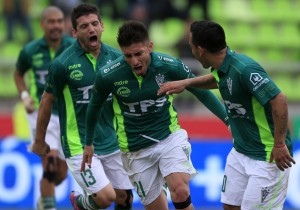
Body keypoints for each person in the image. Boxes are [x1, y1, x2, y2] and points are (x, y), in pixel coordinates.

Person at [82, 20, 229, 210]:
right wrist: (89, 142)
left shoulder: (169, 66)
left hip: (169, 138)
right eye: (128, 56)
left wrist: (227, 120)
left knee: (180, 191)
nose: (134, 61)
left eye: (139, 54)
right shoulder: (109, 75)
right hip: (135, 149)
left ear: (149, 47)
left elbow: (201, 91)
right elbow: (94, 106)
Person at [157, 20, 296, 210]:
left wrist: (279, 144)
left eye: (191, 46)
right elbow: (219, 80)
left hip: (267, 156)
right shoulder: (224, 67)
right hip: (240, 152)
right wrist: (187, 83)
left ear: (201, 49)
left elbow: (279, 99)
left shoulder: (244, 68)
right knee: (230, 206)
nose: (191, 51)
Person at [31, 3, 133, 210]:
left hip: (112, 140)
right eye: (85, 26)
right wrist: (39, 141)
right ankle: (80, 202)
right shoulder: (62, 64)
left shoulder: (117, 58)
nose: (91, 29)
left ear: (103, 26)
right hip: (77, 142)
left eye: (95, 23)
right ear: (75, 32)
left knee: (125, 198)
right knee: (105, 198)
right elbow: (46, 102)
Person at [13, 6, 74, 210]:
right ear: (42, 24)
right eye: (51, 21)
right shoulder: (30, 50)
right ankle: (48, 206)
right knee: (49, 167)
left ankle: (43, 198)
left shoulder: (73, 47)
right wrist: (24, 96)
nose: (56, 25)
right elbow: (18, 74)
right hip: (42, 114)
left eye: (59, 21)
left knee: (62, 173)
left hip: (67, 115)